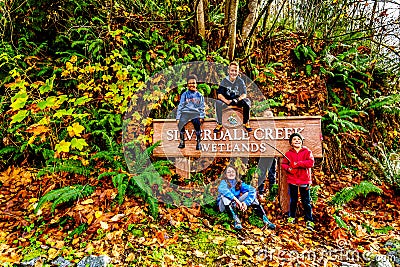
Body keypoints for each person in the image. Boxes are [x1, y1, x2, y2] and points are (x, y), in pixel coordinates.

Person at [217, 164, 276, 230]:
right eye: (229, 172)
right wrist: (237, 200)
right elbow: (224, 191)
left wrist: (245, 203)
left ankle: (265, 220)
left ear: (236, 173)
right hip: (224, 206)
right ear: (225, 174)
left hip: (235, 205)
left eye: (233, 172)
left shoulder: (238, 182)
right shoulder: (223, 182)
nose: (231, 173)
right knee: (224, 197)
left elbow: (252, 190)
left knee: (251, 195)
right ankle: (236, 221)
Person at [281, 132, 315, 230]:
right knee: (293, 200)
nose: (297, 141)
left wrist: (298, 163)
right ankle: (291, 217)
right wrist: (289, 169)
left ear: (302, 141)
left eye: (299, 139)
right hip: (293, 180)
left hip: (304, 180)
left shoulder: (307, 152)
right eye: (294, 139)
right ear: (291, 143)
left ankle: (309, 220)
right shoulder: (288, 154)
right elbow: (284, 164)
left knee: (306, 201)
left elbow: (311, 162)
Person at [214, 61, 252, 133]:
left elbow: (244, 94)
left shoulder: (240, 81)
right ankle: (219, 123)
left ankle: (246, 122)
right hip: (227, 101)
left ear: (238, 72)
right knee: (218, 103)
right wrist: (226, 101)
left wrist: (237, 99)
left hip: (236, 101)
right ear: (228, 71)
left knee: (247, 102)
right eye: (232, 70)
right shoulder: (224, 81)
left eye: (235, 71)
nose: (234, 73)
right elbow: (219, 95)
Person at [176, 74, 205, 150]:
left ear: (196, 84)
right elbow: (180, 106)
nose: (192, 84)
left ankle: (198, 142)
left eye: (193, 83)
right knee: (181, 123)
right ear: (187, 85)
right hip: (186, 113)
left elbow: (202, 107)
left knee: (197, 124)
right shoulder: (185, 94)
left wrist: (202, 116)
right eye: (190, 83)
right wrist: (178, 118)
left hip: (195, 113)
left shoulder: (199, 95)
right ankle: (182, 141)